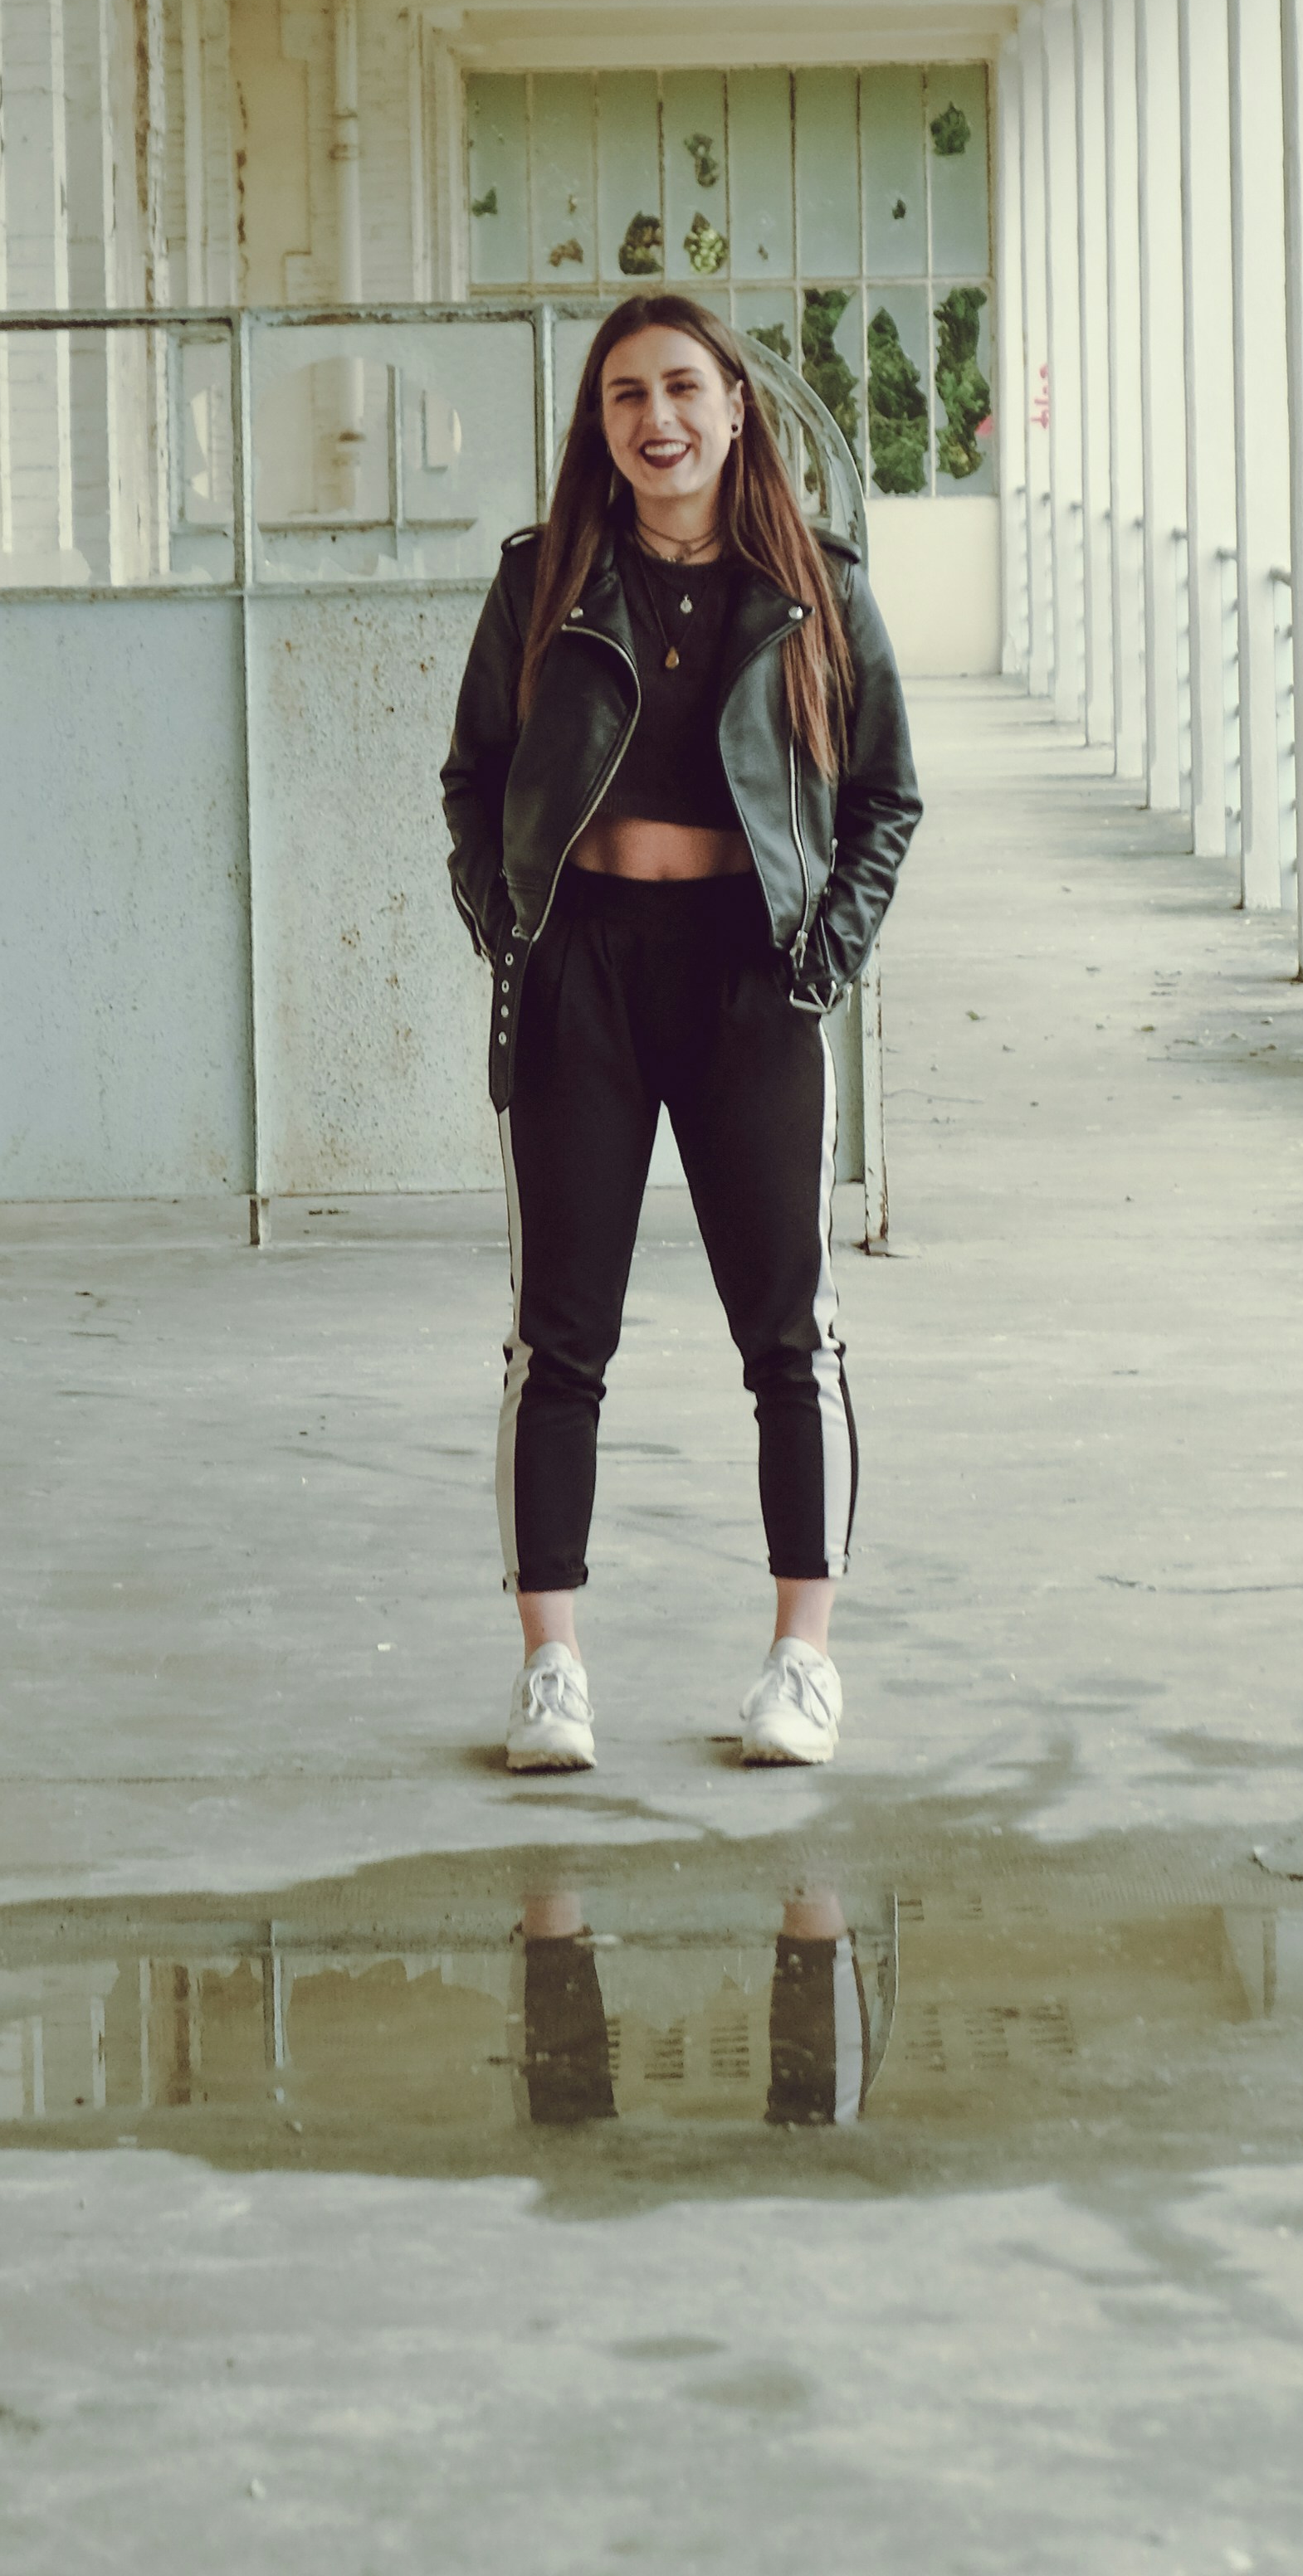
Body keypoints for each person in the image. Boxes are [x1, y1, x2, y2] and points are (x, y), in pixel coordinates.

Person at [441, 295, 921, 1778]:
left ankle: (803, 1661)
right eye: (626, 395)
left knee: (790, 1335)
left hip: (750, 976)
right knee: (558, 1337)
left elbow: (885, 798)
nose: (657, 419)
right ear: (601, 425)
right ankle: (552, 1672)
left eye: (683, 389)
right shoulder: (542, 582)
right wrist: (512, 929)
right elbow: (473, 780)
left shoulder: (816, 590)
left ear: (733, 408)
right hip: (581, 971)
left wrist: (821, 964)